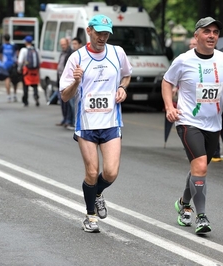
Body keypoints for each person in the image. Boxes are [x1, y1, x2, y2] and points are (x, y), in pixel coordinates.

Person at [161, 17, 223, 234]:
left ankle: (183, 203)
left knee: (199, 170)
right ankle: (202, 216)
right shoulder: (183, 60)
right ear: (196, 36)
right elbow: (167, 82)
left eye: (215, 32)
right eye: (207, 31)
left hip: (214, 124)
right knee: (201, 167)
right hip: (188, 121)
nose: (212, 35)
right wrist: (170, 107)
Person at [59, 14, 132, 233]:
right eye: (99, 32)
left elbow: (126, 75)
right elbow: (64, 96)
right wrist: (76, 81)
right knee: (92, 172)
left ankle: (97, 193)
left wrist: (123, 88)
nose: (103, 37)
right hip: (86, 124)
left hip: (111, 122)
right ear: (89, 30)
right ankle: (90, 216)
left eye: (106, 33)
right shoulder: (77, 58)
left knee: (110, 173)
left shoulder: (117, 53)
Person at [56, 38, 74, 127]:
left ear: (68, 44)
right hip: (60, 80)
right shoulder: (62, 53)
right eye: (61, 45)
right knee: (62, 102)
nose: (63, 46)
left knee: (69, 103)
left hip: (68, 82)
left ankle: (69, 120)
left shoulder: (71, 53)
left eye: (64, 44)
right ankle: (64, 118)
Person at [18, 35, 40, 107]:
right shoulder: (36, 50)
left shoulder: (23, 50)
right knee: (35, 85)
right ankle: (36, 96)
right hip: (35, 71)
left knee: (25, 86)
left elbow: (20, 61)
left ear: (26, 42)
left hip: (27, 71)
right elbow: (39, 61)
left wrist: (19, 69)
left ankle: (25, 100)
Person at [0, 34, 18, 102]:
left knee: (7, 80)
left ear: (4, 39)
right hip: (13, 65)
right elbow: (17, 54)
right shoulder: (14, 46)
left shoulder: (2, 47)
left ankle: (8, 96)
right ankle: (15, 95)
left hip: (5, 66)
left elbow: (0, 57)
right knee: (15, 81)